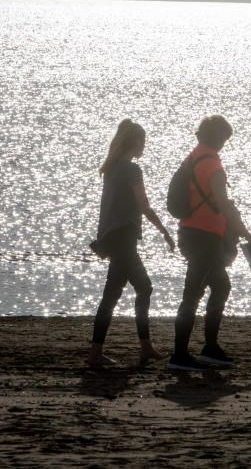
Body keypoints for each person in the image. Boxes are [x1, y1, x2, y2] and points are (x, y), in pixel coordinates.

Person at [168, 115, 251, 371]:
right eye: (224, 139)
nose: (224, 144)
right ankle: (179, 355)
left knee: (221, 287)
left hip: (191, 232)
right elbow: (223, 204)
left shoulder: (195, 156)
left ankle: (209, 347)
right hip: (204, 237)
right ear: (218, 137)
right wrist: (246, 233)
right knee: (193, 293)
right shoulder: (213, 165)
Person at [88, 119, 176, 367]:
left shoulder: (112, 168)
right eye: (143, 142)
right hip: (124, 237)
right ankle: (125, 350)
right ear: (135, 142)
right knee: (133, 290)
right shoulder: (131, 170)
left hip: (114, 237)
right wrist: (165, 232)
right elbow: (144, 206)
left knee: (121, 292)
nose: (144, 146)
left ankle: (136, 347)